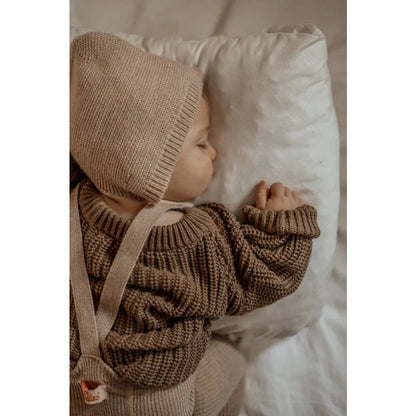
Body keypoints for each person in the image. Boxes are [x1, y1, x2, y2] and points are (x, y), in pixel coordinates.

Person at [70, 32, 320, 416]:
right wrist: (282, 225)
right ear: (151, 167)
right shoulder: (196, 238)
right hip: (163, 400)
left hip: (74, 392)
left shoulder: (69, 210)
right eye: (202, 144)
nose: (215, 151)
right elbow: (265, 276)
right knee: (233, 361)